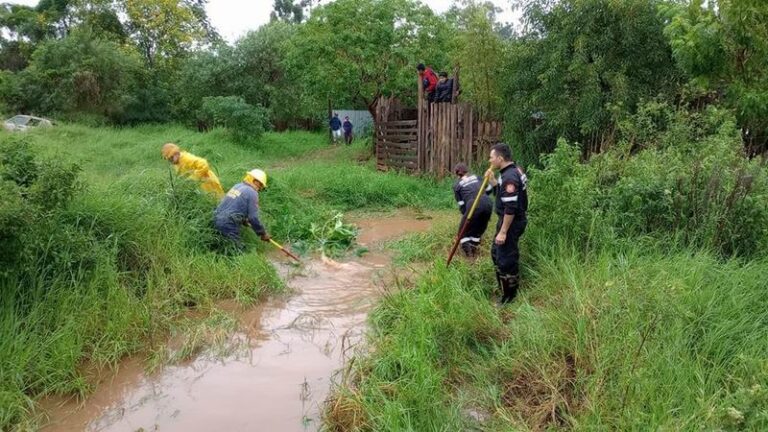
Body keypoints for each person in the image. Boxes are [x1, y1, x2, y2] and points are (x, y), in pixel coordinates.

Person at [484, 143, 528, 303]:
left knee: (506, 258)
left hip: (511, 222)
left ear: (500, 158)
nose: (490, 160)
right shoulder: (512, 171)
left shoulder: (510, 177)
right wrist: (494, 182)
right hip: (508, 220)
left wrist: (503, 232)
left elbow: (511, 207)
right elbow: (504, 196)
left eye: (491, 157)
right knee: (496, 252)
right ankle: (504, 288)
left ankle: (509, 297)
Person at [214, 168, 271, 251]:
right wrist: (262, 233)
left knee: (223, 248)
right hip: (228, 223)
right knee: (238, 252)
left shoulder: (237, 186)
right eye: (261, 185)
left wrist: (243, 220)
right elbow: (253, 218)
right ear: (255, 181)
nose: (260, 188)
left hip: (216, 218)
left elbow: (233, 206)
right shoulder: (252, 193)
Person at [453, 163, 492, 257]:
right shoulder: (477, 177)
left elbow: (462, 206)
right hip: (488, 203)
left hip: (473, 205)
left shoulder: (457, 185)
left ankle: (469, 257)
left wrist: (467, 218)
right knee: (477, 231)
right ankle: (474, 253)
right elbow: (489, 189)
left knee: (462, 233)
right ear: (467, 171)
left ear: (457, 174)